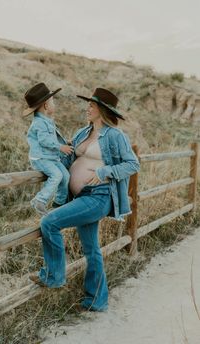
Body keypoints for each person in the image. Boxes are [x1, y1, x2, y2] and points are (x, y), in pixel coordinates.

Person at [29, 87, 140, 311]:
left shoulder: (115, 135)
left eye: (92, 105)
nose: (87, 108)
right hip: (81, 197)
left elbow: (132, 164)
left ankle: (54, 276)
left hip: (98, 197)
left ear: (102, 109)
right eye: (88, 104)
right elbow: (67, 155)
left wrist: (104, 173)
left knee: (49, 222)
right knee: (91, 249)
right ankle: (97, 300)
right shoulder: (82, 133)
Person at [22, 82, 73, 215]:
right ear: (46, 105)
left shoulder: (47, 121)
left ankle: (59, 203)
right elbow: (45, 141)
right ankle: (39, 200)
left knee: (66, 176)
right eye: (52, 102)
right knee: (56, 175)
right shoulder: (39, 123)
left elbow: (52, 137)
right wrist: (60, 147)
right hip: (41, 158)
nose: (54, 104)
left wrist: (64, 141)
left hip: (51, 158)